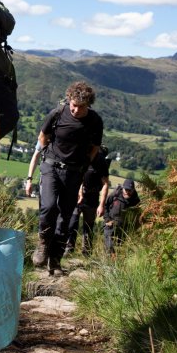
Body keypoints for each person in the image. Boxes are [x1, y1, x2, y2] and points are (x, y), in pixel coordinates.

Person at [31, 81, 103, 276]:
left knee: (65, 217)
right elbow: (42, 136)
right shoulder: (57, 113)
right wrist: (47, 155)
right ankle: (43, 244)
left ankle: (55, 261)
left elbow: (96, 146)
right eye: (73, 104)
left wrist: (85, 164)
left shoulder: (95, 121)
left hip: (74, 172)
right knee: (48, 207)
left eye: (80, 106)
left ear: (88, 104)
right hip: (51, 166)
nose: (75, 109)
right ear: (69, 100)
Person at [65, 145, 110, 256]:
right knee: (72, 222)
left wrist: (101, 205)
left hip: (92, 198)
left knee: (88, 226)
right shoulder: (82, 155)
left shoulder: (101, 162)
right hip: (77, 196)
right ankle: (68, 249)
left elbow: (105, 184)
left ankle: (87, 252)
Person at [103, 178, 141, 257]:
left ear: (133, 190)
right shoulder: (115, 194)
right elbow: (105, 206)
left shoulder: (136, 201)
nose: (127, 192)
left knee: (120, 246)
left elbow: (137, 216)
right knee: (108, 238)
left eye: (130, 190)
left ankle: (117, 261)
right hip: (111, 222)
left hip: (125, 227)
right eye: (126, 189)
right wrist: (107, 220)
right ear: (123, 188)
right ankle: (111, 255)